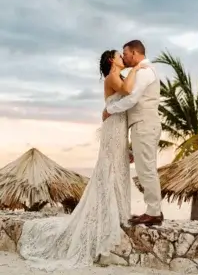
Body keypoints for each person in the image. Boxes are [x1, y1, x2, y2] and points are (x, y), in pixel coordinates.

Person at [18, 50, 145, 271]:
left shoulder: (122, 77)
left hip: (119, 129)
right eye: (119, 55)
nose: (123, 58)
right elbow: (126, 91)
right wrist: (137, 67)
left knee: (119, 169)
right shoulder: (112, 78)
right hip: (112, 130)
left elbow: (130, 97)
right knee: (109, 170)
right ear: (111, 61)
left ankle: (117, 213)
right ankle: (106, 218)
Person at [103, 40, 163, 226]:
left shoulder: (144, 72)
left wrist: (110, 110)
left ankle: (154, 212)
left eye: (126, 53)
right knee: (145, 167)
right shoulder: (140, 71)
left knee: (146, 169)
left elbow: (132, 99)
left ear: (135, 53)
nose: (124, 56)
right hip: (141, 125)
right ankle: (152, 210)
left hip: (145, 124)